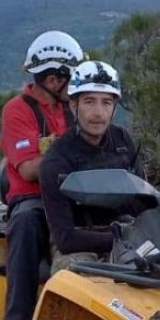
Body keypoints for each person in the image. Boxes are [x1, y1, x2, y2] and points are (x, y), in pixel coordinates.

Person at [0, 30, 84, 320]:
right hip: (33, 198)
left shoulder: (74, 109)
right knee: (27, 223)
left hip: (77, 195)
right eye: (69, 78)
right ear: (52, 77)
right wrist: (73, 152)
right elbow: (30, 169)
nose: (73, 85)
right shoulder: (18, 111)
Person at [40, 60, 146, 269]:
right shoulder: (56, 160)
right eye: (89, 101)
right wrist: (120, 239)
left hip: (127, 232)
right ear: (73, 105)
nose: (98, 113)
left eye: (106, 102)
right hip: (79, 244)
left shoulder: (122, 140)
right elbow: (65, 239)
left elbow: (144, 200)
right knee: (75, 280)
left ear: (114, 108)